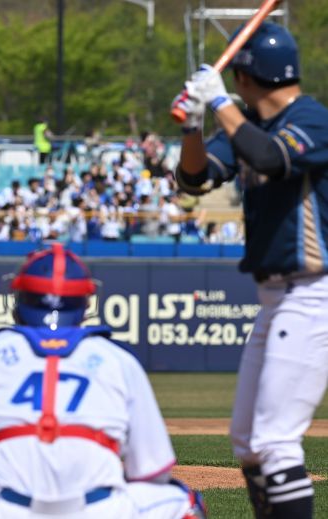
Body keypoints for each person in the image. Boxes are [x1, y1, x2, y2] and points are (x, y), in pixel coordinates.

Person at [0, 243, 206, 519]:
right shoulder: (118, 360)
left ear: (19, 297)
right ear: (85, 302)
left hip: (1, 511)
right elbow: (152, 470)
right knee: (184, 502)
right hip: (99, 512)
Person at [172, 22, 328, 518]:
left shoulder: (313, 119)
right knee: (246, 441)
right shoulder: (243, 124)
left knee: (276, 441)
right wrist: (193, 126)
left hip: (313, 292)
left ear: (244, 78)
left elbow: (270, 157)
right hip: (275, 298)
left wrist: (219, 104)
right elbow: (193, 178)